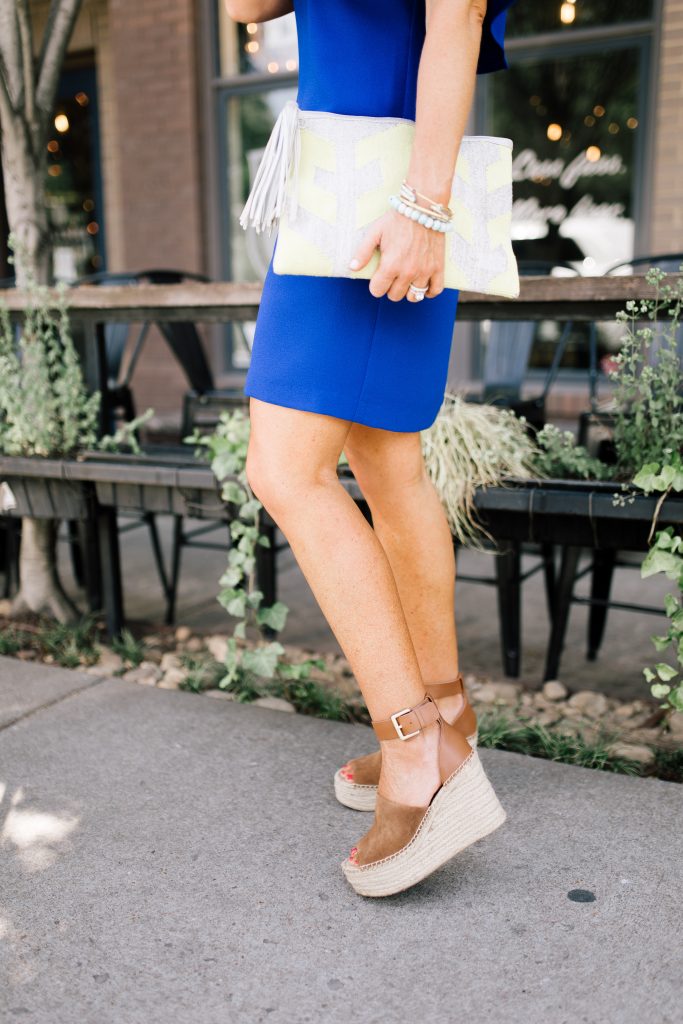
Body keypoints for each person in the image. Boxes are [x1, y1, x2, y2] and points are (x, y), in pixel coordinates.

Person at [227, 0, 517, 897]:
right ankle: (446, 714)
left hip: (388, 187)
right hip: (350, 180)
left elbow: (457, 11)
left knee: (283, 469)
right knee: (385, 463)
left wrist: (423, 206)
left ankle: (417, 754)